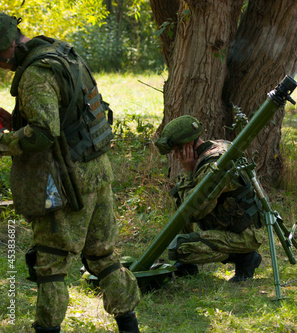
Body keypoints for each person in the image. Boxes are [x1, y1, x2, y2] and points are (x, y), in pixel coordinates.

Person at [0, 13, 141, 332]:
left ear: (8, 45)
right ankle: (129, 326)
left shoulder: (35, 73)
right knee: (103, 255)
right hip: (96, 169)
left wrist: (5, 141)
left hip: (65, 182)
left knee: (50, 263)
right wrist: (15, 122)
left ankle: (46, 329)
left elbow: (42, 134)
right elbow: (70, 116)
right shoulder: (60, 51)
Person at [154, 115, 265, 282]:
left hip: (244, 235)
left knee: (180, 249)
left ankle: (246, 258)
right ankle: (188, 267)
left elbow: (193, 211)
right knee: (180, 195)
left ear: (187, 146)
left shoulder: (213, 165)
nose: (176, 156)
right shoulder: (217, 147)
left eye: (177, 150)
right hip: (231, 224)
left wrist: (187, 172)